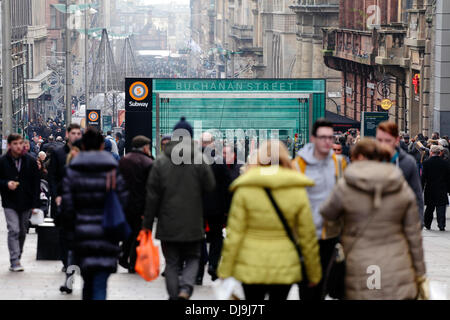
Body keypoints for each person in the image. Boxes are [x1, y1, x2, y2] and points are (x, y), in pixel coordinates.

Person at [320, 138, 426, 300]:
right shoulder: (399, 185)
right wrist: (420, 274)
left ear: (357, 158)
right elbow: (414, 235)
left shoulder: (346, 186)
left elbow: (327, 214)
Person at [218, 140, 322, 301]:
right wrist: (314, 273)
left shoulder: (245, 188)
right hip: (284, 265)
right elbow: (307, 237)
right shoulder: (296, 189)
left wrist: (225, 270)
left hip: (251, 264)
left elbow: (235, 234)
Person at [142, 117, 215, 300]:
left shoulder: (160, 162)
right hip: (193, 221)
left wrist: (147, 225)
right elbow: (210, 185)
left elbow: (152, 197)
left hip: (168, 222)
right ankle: (186, 288)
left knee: (172, 263)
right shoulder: (199, 159)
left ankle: (174, 295)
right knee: (193, 257)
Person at [61, 128, 128, 300]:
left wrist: (69, 232)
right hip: (108, 232)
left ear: (82, 146)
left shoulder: (73, 170)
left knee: (87, 281)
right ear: (101, 146)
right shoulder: (113, 169)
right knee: (100, 283)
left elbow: (67, 206)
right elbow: (123, 201)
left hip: (81, 235)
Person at [292, 119, 347, 300]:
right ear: (313, 138)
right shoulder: (298, 164)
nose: (326, 142)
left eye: (330, 138)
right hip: (305, 235)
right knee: (307, 284)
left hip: (330, 234)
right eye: (322, 137)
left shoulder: (339, 163)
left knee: (325, 283)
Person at [0, 134, 40, 272]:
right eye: (15, 143)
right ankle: (14, 260)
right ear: (10, 145)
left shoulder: (30, 160)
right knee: (13, 230)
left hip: (26, 202)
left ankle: (18, 254)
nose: (18, 146)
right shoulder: (3, 161)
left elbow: (36, 183)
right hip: (9, 201)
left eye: (20, 143)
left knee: (22, 231)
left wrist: (35, 204)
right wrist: (6, 183)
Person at [196, 132, 232, 285]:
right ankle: (213, 264)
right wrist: (227, 208)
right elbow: (227, 186)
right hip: (217, 207)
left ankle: (198, 273)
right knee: (217, 237)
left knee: (198, 238)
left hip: (197, 207)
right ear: (212, 143)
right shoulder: (219, 161)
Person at [48, 123, 82, 271]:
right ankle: (65, 261)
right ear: (68, 135)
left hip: (80, 200)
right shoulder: (58, 153)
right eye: (73, 133)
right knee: (62, 232)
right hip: (62, 199)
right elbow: (52, 177)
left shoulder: (84, 153)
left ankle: (74, 259)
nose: (76, 136)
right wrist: (55, 196)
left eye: (78, 133)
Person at [376, 122, 424, 226]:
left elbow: (417, 195)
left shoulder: (408, 163)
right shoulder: (371, 161)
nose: (383, 144)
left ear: (397, 140)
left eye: (388, 140)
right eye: (380, 140)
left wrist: (418, 224)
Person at [118, 136, 154, 273]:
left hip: (125, 202)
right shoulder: (148, 162)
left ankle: (123, 254)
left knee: (129, 232)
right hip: (141, 204)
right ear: (145, 147)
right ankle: (133, 262)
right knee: (139, 233)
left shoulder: (124, 160)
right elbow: (150, 186)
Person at [422, 145, 450, 231]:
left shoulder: (426, 163)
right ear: (440, 153)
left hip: (430, 188)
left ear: (431, 152)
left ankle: (427, 224)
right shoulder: (445, 163)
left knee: (429, 208)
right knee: (441, 208)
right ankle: (441, 225)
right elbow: (448, 178)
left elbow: (423, 177)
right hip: (442, 188)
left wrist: (421, 188)